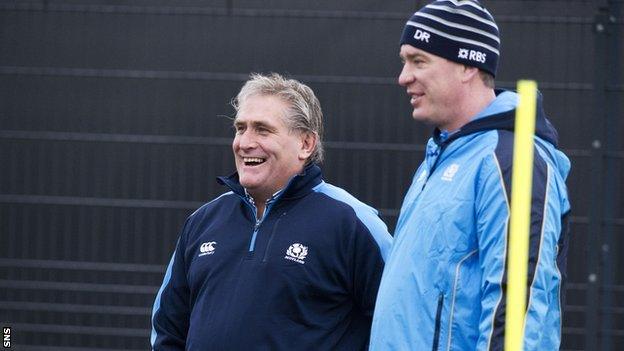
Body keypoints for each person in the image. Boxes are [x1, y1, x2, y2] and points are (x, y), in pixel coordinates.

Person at [369, 1, 571, 350]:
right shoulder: (442, 156)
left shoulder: (511, 160)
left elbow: (519, 307)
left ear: (467, 64)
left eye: (418, 60)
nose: (404, 77)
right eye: (404, 61)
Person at [151, 73, 392, 350]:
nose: (245, 142)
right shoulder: (203, 221)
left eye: (262, 130)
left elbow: (399, 321)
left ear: (306, 144)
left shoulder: (352, 222)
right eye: (240, 128)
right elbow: (167, 328)